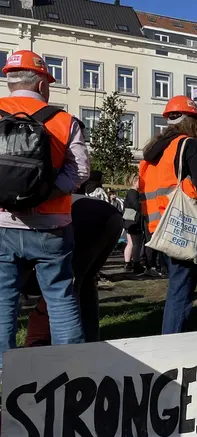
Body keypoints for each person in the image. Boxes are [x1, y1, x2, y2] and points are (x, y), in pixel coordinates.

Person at [0, 50, 88, 368]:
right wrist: (44, 195)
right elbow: (79, 172)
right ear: (41, 84)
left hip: (2, 225)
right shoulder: (63, 121)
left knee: (3, 301)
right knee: (60, 297)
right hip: (52, 225)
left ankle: (4, 376)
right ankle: (72, 373)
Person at [138, 95, 197, 335]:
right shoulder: (188, 145)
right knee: (180, 291)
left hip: (158, 229)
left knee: (176, 288)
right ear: (191, 121)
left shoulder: (152, 154)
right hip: (182, 226)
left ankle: (176, 334)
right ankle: (173, 343)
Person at [25, 195, 124, 345]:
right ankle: (90, 339)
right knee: (85, 280)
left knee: (63, 284)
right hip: (111, 216)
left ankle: (38, 341)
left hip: (85, 217)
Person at [123, 172, 145, 274]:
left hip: (129, 221)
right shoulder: (133, 193)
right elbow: (137, 206)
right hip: (134, 222)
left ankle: (128, 263)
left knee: (131, 243)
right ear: (135, 182)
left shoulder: (131, 193)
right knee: (136, 244)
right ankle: (136, 263)